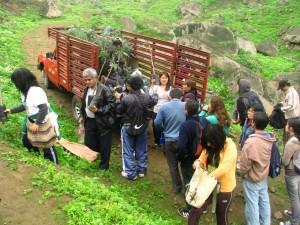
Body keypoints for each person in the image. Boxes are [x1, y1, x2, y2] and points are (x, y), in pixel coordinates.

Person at [5, 68, 59, 164]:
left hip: (42, 121)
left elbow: (44, 108)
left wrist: (37, 124)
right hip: (32, 121)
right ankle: (37, 159)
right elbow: (25, 105)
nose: (16, 85)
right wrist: (11, 111)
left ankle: (54, 165)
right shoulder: (25, 91)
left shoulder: (35, 91)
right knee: (27, 140)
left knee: (47, 144)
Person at [188, 124, 237, 225]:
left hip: (223, 188)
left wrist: (208, 177)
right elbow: (203, 157)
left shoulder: (230, 147)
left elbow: (224, 169)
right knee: (195, 210)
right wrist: (198, 162)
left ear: (218, 139)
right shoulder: (209, 145)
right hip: (207, 185)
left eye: (211, 142)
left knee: (221, 218)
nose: (209, 145)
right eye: (207, 142)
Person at [115, 75, 158, 180]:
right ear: (142, 85)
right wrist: (155, 92)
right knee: (141, 148)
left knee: (128, 149)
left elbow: (119, 111)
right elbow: (155, 101)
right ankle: (142, 170)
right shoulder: (147, 97)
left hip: (127, 126)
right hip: (142, 126)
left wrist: (117, 100)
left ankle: (130, 173)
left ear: (130, 86)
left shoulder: (126, 98)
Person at [240, 111, 276, 225]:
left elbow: (245, 164)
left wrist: (242, 174)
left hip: (252, 178)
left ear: (253, 123)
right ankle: (266, 222)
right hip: (263, 175)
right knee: (264, 201)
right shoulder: (270, 138)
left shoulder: (251, 142)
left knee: (252, 204)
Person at [78, 67, 115, 170]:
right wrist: (82, 116)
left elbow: (112, 105)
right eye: (85, 80)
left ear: (96, 78)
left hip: (103, 122)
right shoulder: (87, 89)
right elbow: (83, 104)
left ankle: (104, 166)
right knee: (89, 142)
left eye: (89, 79)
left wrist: (99, 110)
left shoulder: (104, 89)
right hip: (90, 121)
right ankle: (96, 156)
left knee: (105, 144)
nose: (87, 82)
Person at [154, 88, 186, 194]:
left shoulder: (164, 107)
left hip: (168, 139)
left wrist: (164, 130)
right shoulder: (186, 106)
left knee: (172, 165)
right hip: (183, 141)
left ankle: (177, 187)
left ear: (170, 96)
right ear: (181, 97)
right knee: (186, 165)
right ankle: (188, 187)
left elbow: (157, 123)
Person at [176, 100, 202, 218]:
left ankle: (189, 211)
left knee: (188, 184)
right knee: (198, 183)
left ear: (186, 110)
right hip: (201, 159)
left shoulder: (185, 125)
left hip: (188, 160)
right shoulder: (203, 122)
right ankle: (200, 206)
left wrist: (180, 157)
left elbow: (181, 146)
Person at [280, 118, 300, 225]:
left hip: (291, 172)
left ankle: (294, 222)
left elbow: (285, 161)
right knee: (298, 196)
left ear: (291, 128)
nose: (286, 126)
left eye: (287, 124)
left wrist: (279, 157)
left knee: (294, 198)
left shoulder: (291, 143)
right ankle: (295, 214)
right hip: (298, 170)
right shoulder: (298, 140)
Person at [149, 71, 172, 149]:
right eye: (163, 78)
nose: (164, 79)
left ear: (168, 79)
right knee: (155, 125)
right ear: (159, 78)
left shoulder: (171, 89)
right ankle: (157, 141)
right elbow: (151, 97)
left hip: (167, 111)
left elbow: (173, 100)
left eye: (166, 78)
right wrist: (152, 88)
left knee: (166, 126)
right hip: (156, 110)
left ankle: (164, 141)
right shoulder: (156, 87)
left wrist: (168, 96)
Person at [278, 80, 300, 145]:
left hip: (293, 117)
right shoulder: (289, 93)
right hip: (290, 117)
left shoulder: (292, 93)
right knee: (287, 135)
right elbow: (287, 102)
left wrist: (281, 109)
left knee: (291, 136)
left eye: (281, 88)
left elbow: (292, 106)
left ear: (285, 86)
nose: (281, 90)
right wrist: (281, 104)